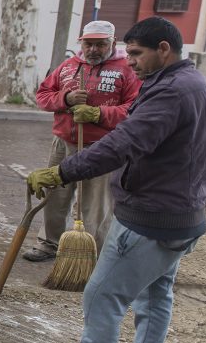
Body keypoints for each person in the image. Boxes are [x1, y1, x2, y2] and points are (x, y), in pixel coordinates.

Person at [27, 17, 206, 343]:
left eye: (138, 54)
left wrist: (61, 172)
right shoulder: (193, 84)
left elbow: (124, 143)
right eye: (129, 54)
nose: (132, 63)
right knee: (155, 294)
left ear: (164, 49)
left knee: (101, 296)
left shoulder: (172, 92)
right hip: (184, 215)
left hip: (150, 218)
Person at [21, 20, 141, 262]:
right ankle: (49, 243)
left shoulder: (126, 70)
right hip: (64, 142)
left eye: (100, 44)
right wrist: (66, 98)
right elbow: (43, 96)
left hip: (103, 147)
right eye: (89, 44)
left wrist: (99, 114)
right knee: (56, 196)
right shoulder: (68, 66)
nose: (93, 49)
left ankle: (89, 252)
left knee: (96, 205)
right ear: (81, 43)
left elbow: (135, 109)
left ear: (112, 42)